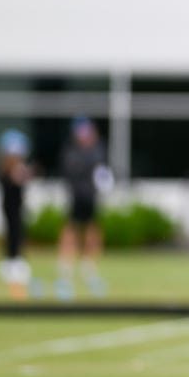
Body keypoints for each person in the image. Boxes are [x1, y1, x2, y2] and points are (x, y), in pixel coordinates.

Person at [56, 116, 112, 300]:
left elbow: (101, 173)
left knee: (92, 231)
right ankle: (65, 271)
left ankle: (89, 268)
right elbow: (71, 173)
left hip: (91, 198)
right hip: (76, 197)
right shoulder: (71, 152)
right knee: (71, 230)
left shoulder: (98, 150)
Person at [0, 129, 35, 300]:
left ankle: (16, 261)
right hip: (9, 208)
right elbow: (14, 180)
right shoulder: (5, 169)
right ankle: (11, 264)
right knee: (12, 234)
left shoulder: (17, 167)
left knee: (18, 234)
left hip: (18, 208)